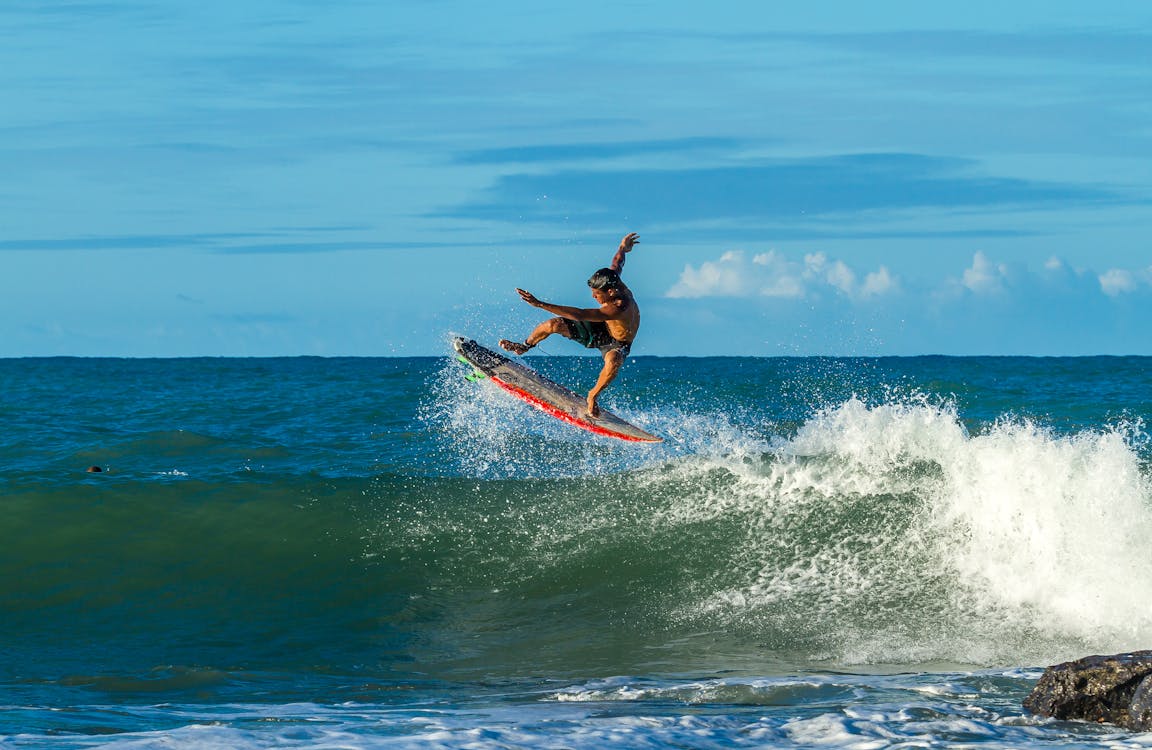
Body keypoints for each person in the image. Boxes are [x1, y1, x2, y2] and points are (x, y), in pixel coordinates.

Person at [500, 232, 641, 417]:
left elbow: (580, 314)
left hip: (618, 342)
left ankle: (592, 396)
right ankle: (524, 346)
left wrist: (540, 304)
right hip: (602, 328)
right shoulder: (613, 279)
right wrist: (623, 248)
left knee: (614, 361)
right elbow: (617, 262)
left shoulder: (617, 308)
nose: (593, 297)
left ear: (611, 291)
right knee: (553, 324)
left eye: (597, 294)